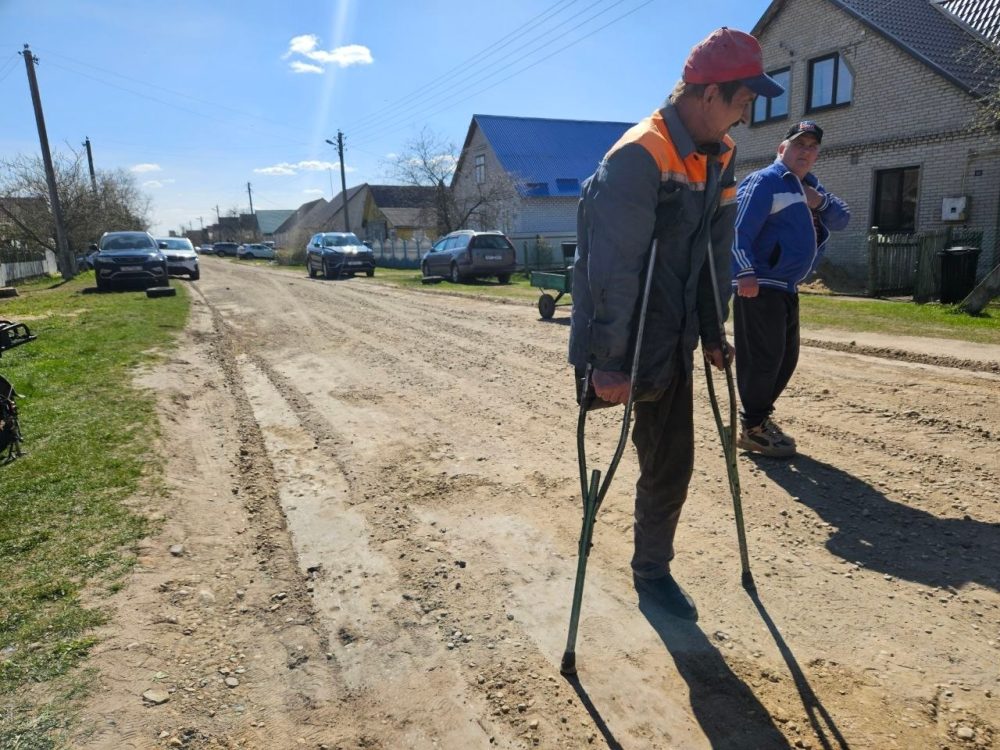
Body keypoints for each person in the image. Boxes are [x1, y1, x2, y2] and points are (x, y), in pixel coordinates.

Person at [568, 27, 784, 620]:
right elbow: (612, 268)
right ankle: (626, 561)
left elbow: (717, 245)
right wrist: (608, 361)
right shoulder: (640, 154)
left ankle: (651, 571)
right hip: (625, 338)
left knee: (671, 461)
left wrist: (714, 330)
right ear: (710, 93)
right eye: (742, 102)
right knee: (635, 455)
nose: (745, 116)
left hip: (676, 337)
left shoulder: (723, 155)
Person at [731, 121, 850, 457]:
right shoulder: (766, 181)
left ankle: (758, 420)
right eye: (799, 145)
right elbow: (737, 230)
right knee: (763, 359)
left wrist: (819, 202)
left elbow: (842, 219)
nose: (806, 152)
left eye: (812, 147)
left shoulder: (809, 187)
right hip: (759, 284)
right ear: (782, 149)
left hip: (786, 286)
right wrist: (745, 272)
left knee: (785, 359)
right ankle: (752, 428)